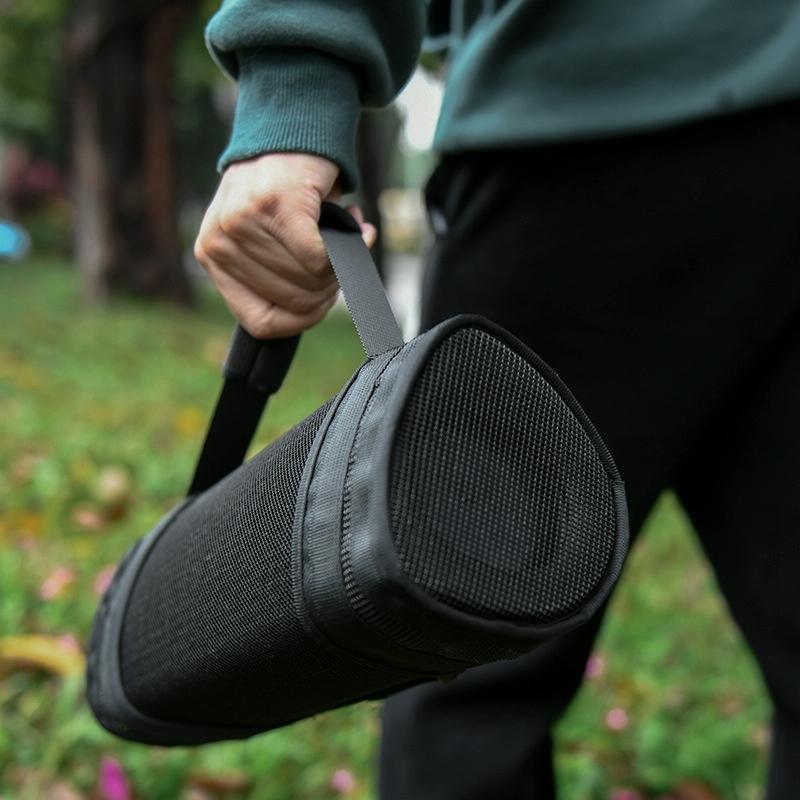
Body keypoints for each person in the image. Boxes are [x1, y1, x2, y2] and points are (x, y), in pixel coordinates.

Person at [194, 2, 800, 797]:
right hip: (605, 136)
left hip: (578, 132)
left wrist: (292, 84)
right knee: (457, 629)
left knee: (459, 647)